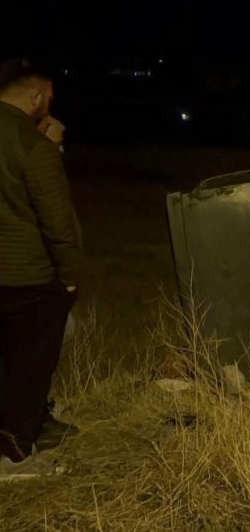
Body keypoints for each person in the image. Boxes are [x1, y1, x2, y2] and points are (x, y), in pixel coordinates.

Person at [0, 57, 83, 479]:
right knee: (28, 366)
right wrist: (69, 276)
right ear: (36, 95)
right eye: (48, 97)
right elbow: (58, 221)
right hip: (26, 277)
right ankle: (14, 456)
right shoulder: (35, 147)